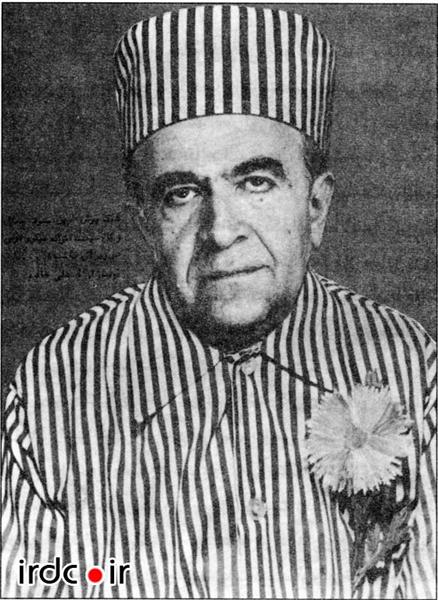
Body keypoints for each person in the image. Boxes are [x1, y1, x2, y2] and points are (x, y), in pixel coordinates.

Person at [1, 5, 435, 599]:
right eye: (181, 193)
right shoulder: (52, 387)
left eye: (256, 182)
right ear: (144, 223)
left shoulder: (412, 367)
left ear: (315, 207)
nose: (221, 230)